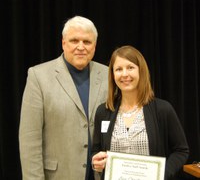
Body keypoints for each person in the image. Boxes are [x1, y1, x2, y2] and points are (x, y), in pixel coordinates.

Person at [19, 16, 108, 180]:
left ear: (95, 46)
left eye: (87, 42)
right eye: (74, 40)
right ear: (63, 43)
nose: (80, 47)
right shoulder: (38, 76)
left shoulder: (108, 75)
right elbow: (30, 139)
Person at [91, 45, 189, 180]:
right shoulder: (103, 111)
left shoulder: (162, 109)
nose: (124, 74)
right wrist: (96, 162)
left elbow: (181, 151)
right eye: (118, 69)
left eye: (130, 67)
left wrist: (161, 174)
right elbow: (96, 151)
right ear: (113, 75)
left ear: (141, 71)